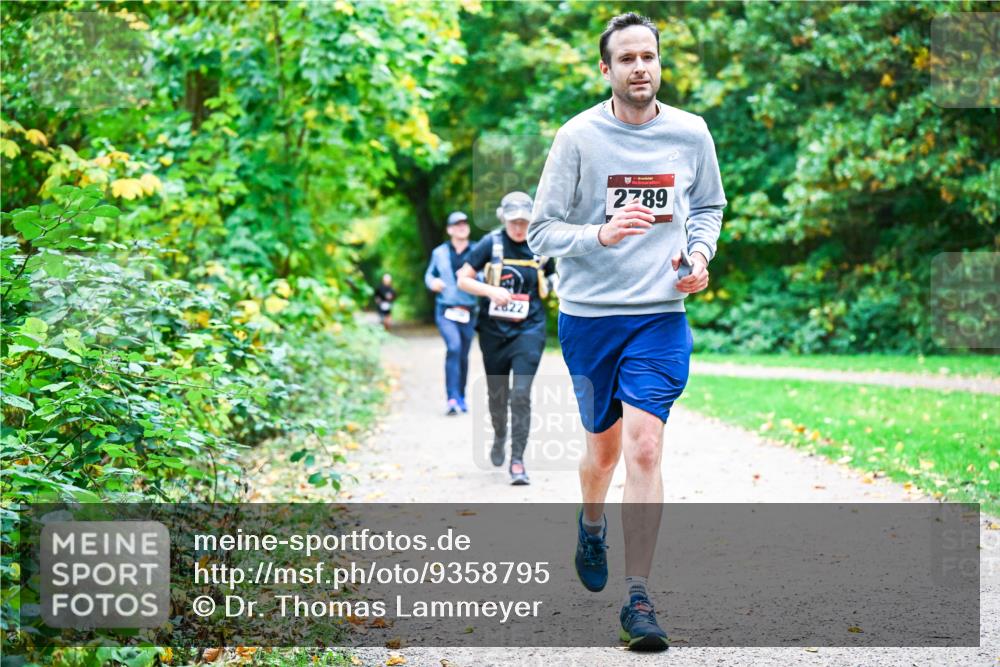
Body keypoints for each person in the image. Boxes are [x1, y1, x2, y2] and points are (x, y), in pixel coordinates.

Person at [527, 12, 726, 651]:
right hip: (589, 318)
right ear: (606, 69)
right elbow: (540, 232)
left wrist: (698, 259)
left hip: (660, 314)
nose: (641, 67)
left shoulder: (691, 133)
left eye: (650, 57)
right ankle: (591, 523)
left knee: (644, 447)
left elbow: (709, 208)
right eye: (628, 59)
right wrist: (600, 234)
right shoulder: (578, 137)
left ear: (659, 64)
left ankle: (638, 596)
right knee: (603, 453)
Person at [456, 192, 556, 485]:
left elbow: (552, 278)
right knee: (497, 395)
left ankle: (517, 461)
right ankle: (500, 434)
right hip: (493, 332)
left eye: (524, 221)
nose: (518, 227)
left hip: (529, 329)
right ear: (504, 219)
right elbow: (463, 278)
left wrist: (555, 286)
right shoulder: (491, 243)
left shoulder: (541, 245)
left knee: (521, 394)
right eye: (513, 221)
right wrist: (490, 291)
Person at [424, 211, 478, 416]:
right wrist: (433, 283)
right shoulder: (439, 252)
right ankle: (451, 398)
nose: (461, 227)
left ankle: (461, 397)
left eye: (464, 223)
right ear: (449, 230)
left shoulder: (477, 250)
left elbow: (485, 273)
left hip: (468, 311)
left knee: (463, 354)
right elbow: (429, 274)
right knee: (454, 347)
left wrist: (475, 277)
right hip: (446, 310)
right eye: (456, 224)